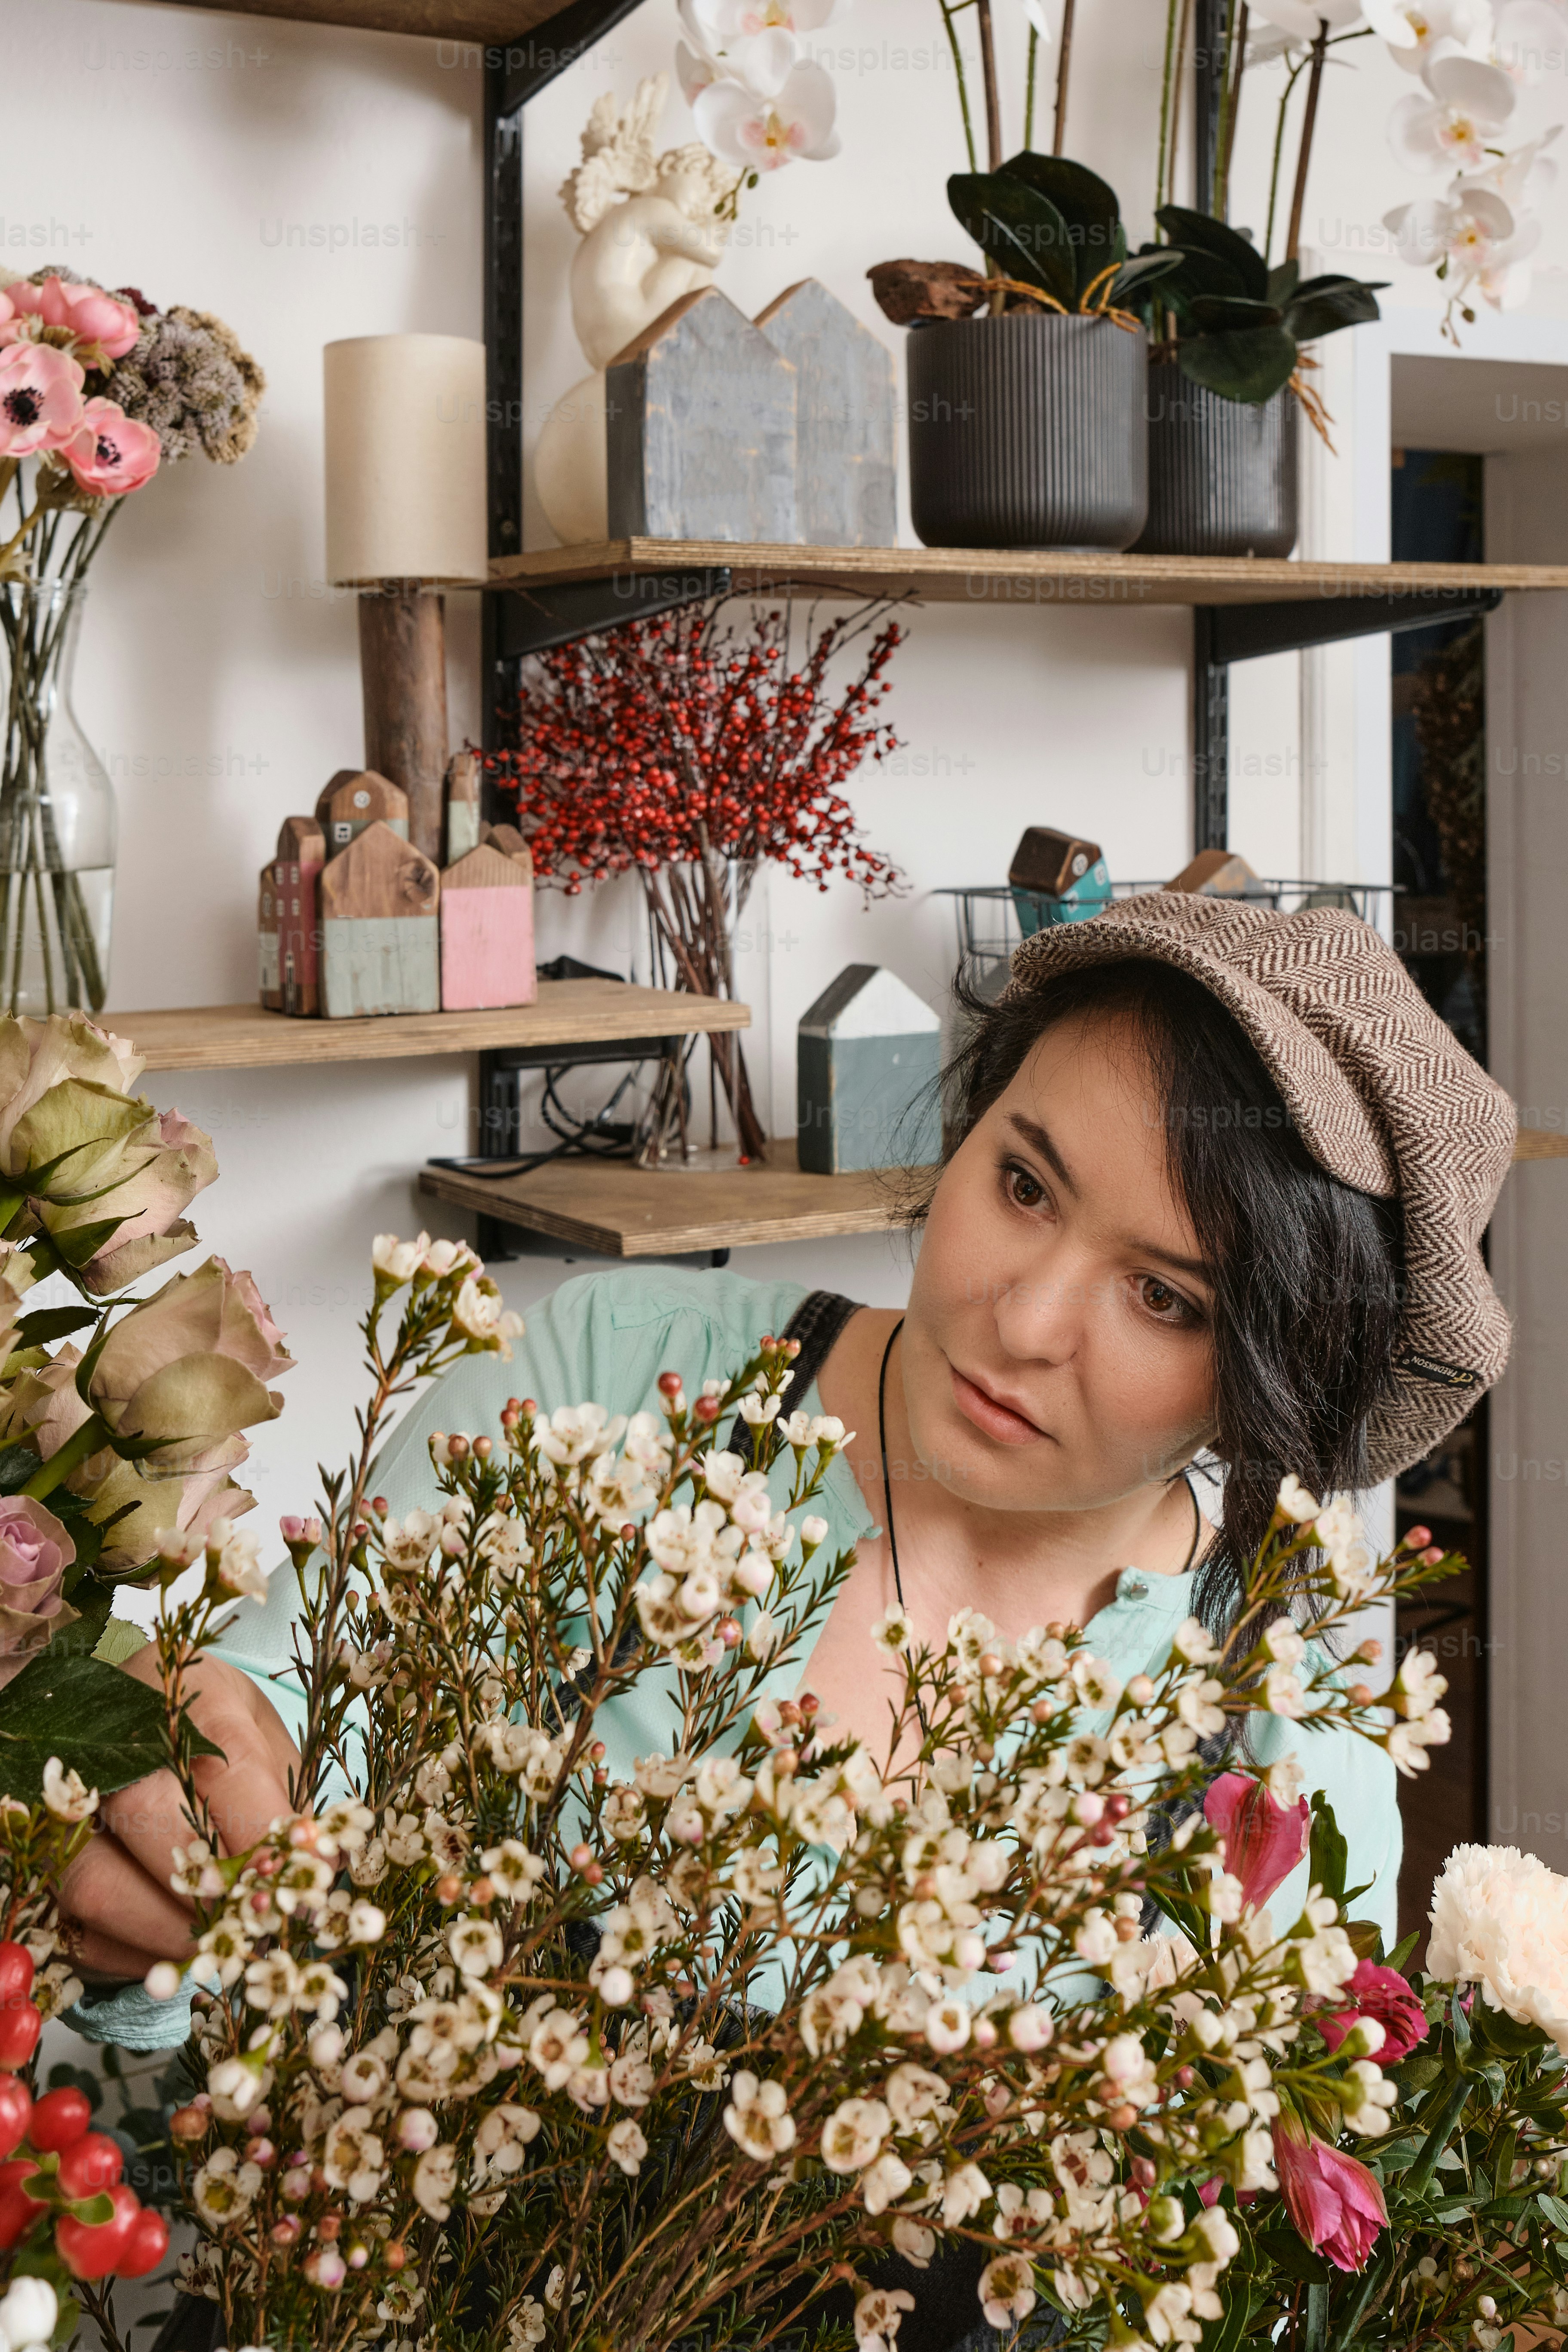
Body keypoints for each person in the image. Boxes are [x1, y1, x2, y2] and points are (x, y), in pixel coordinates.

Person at [60, 891, 1516, 2051]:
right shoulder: (614, 1384)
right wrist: (182, 1754)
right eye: (1024, 1184)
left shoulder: (1283, 1744)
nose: (1021, 1321)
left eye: (1165, 1298)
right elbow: (288, 1716)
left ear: (1270, 1386)